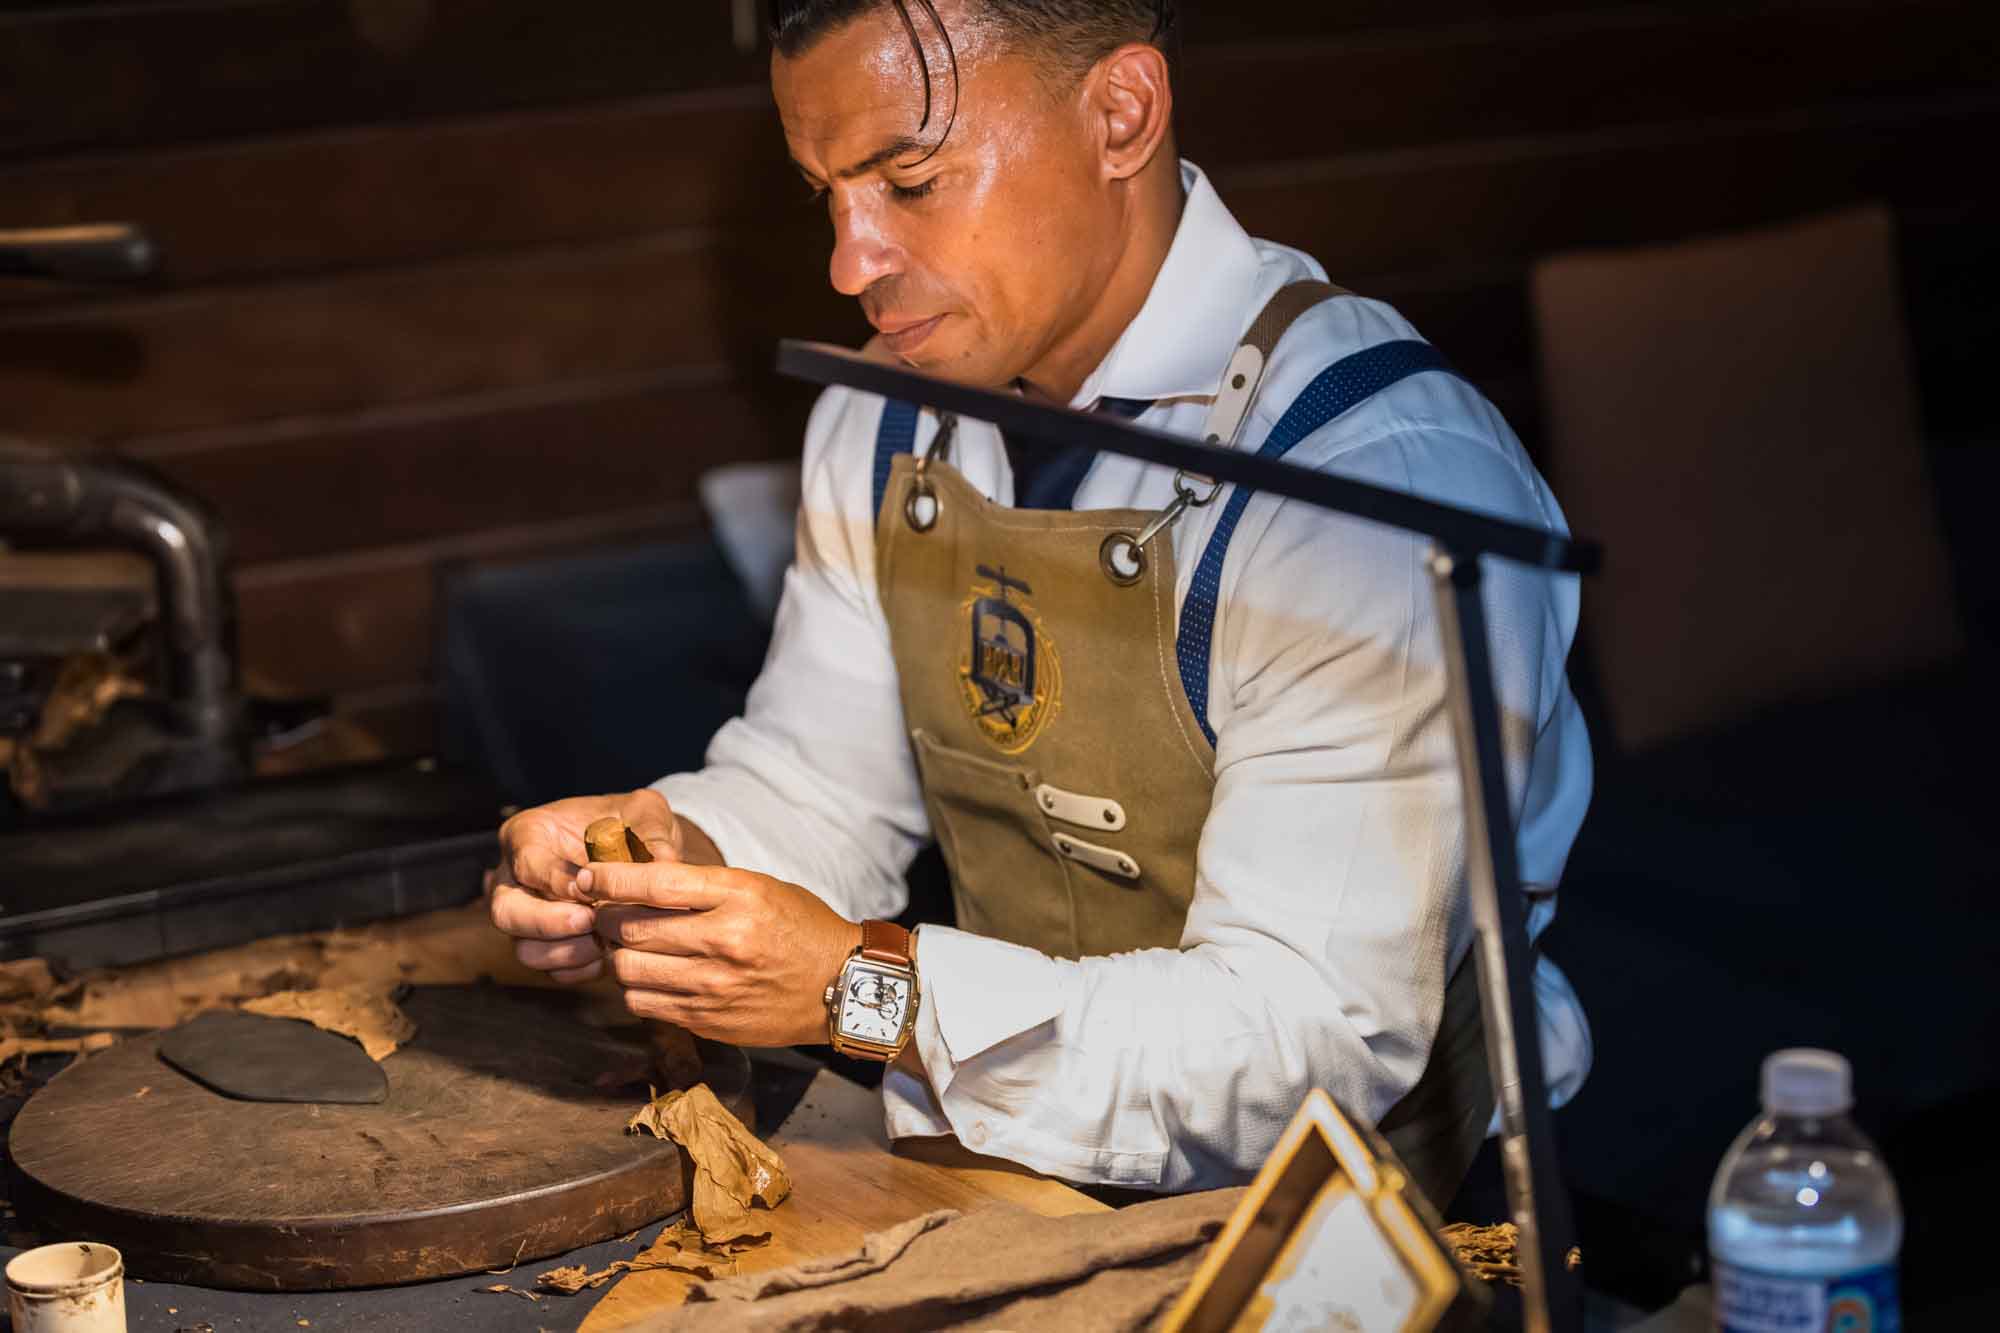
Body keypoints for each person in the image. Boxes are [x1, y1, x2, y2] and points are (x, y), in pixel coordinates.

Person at [487, 0, 1592, 1205]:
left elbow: (1299, 1049)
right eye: (827, 196)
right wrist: (666, 857)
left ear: (1119, 113)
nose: (848, 264)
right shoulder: (882, 415)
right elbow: (820, 785)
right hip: (1016, 1171)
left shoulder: (1369, 485)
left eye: (908, 183)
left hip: (1372, 1226)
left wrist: (859, 990)